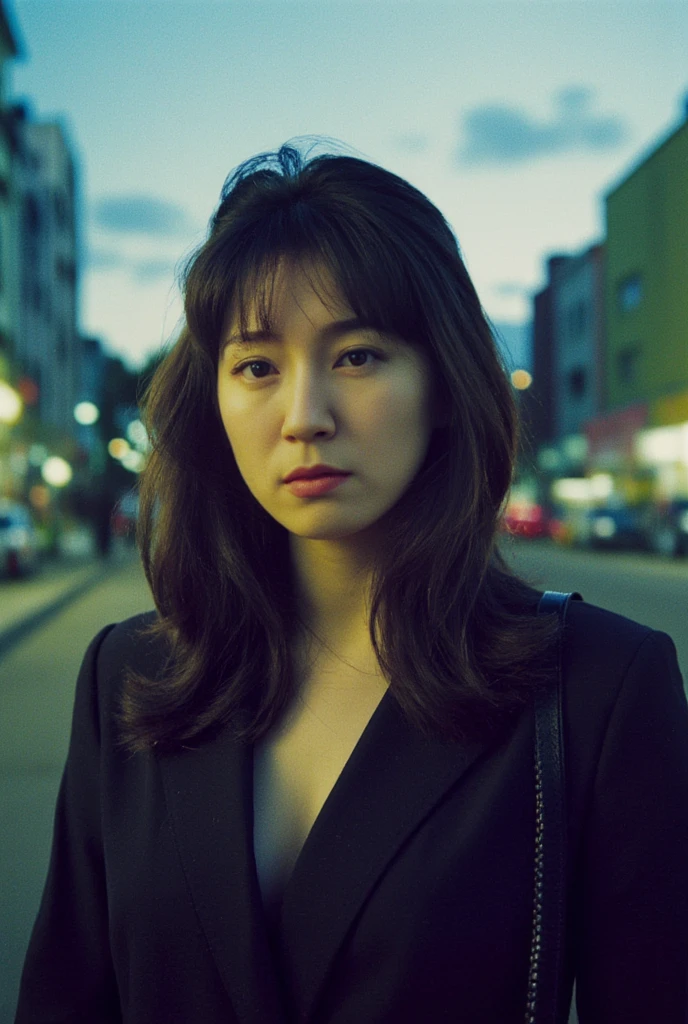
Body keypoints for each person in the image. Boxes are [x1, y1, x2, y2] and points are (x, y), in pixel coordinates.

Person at [15, 141, 688, 1024]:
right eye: (257, 366)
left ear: (442, 381)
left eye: (358, 356)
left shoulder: (599, 686)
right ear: (213, 399)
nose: (305, 417)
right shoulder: (127, 679)